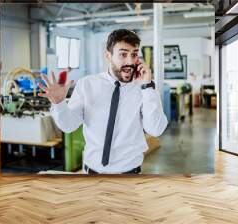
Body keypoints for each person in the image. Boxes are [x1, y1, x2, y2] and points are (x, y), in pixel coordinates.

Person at [38, 29, 168, 174]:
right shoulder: (87, 85)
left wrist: (148, 86)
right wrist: (59, 103)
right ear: (108, 56)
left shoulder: (145, 88)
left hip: (129, 177)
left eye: (134, 54)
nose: (130, 61)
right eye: (123, 54)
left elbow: (156, 130)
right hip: (92, 174)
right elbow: (69, 126)